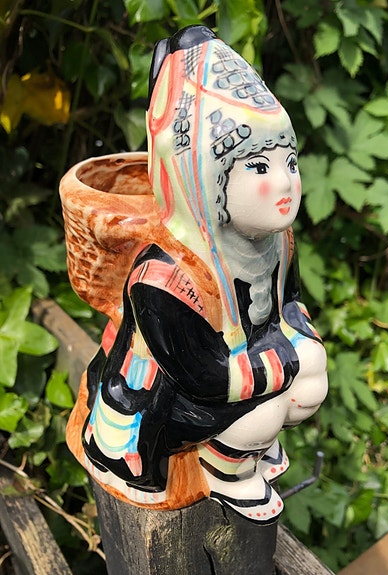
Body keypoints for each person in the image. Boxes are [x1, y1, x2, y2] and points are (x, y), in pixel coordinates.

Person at [73, 25, 328, 524]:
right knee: (268, 409)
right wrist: (285, 359)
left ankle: (244, 450)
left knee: (310, 379)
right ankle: (225, 467)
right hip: (165, 402)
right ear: (209, 183)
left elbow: (289, 305)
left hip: (246, 370)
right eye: (259, 166)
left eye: (290, 161)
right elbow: (202, 375)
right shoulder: (166, 277)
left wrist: (301, 342)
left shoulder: (278, 243)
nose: (286, 182)